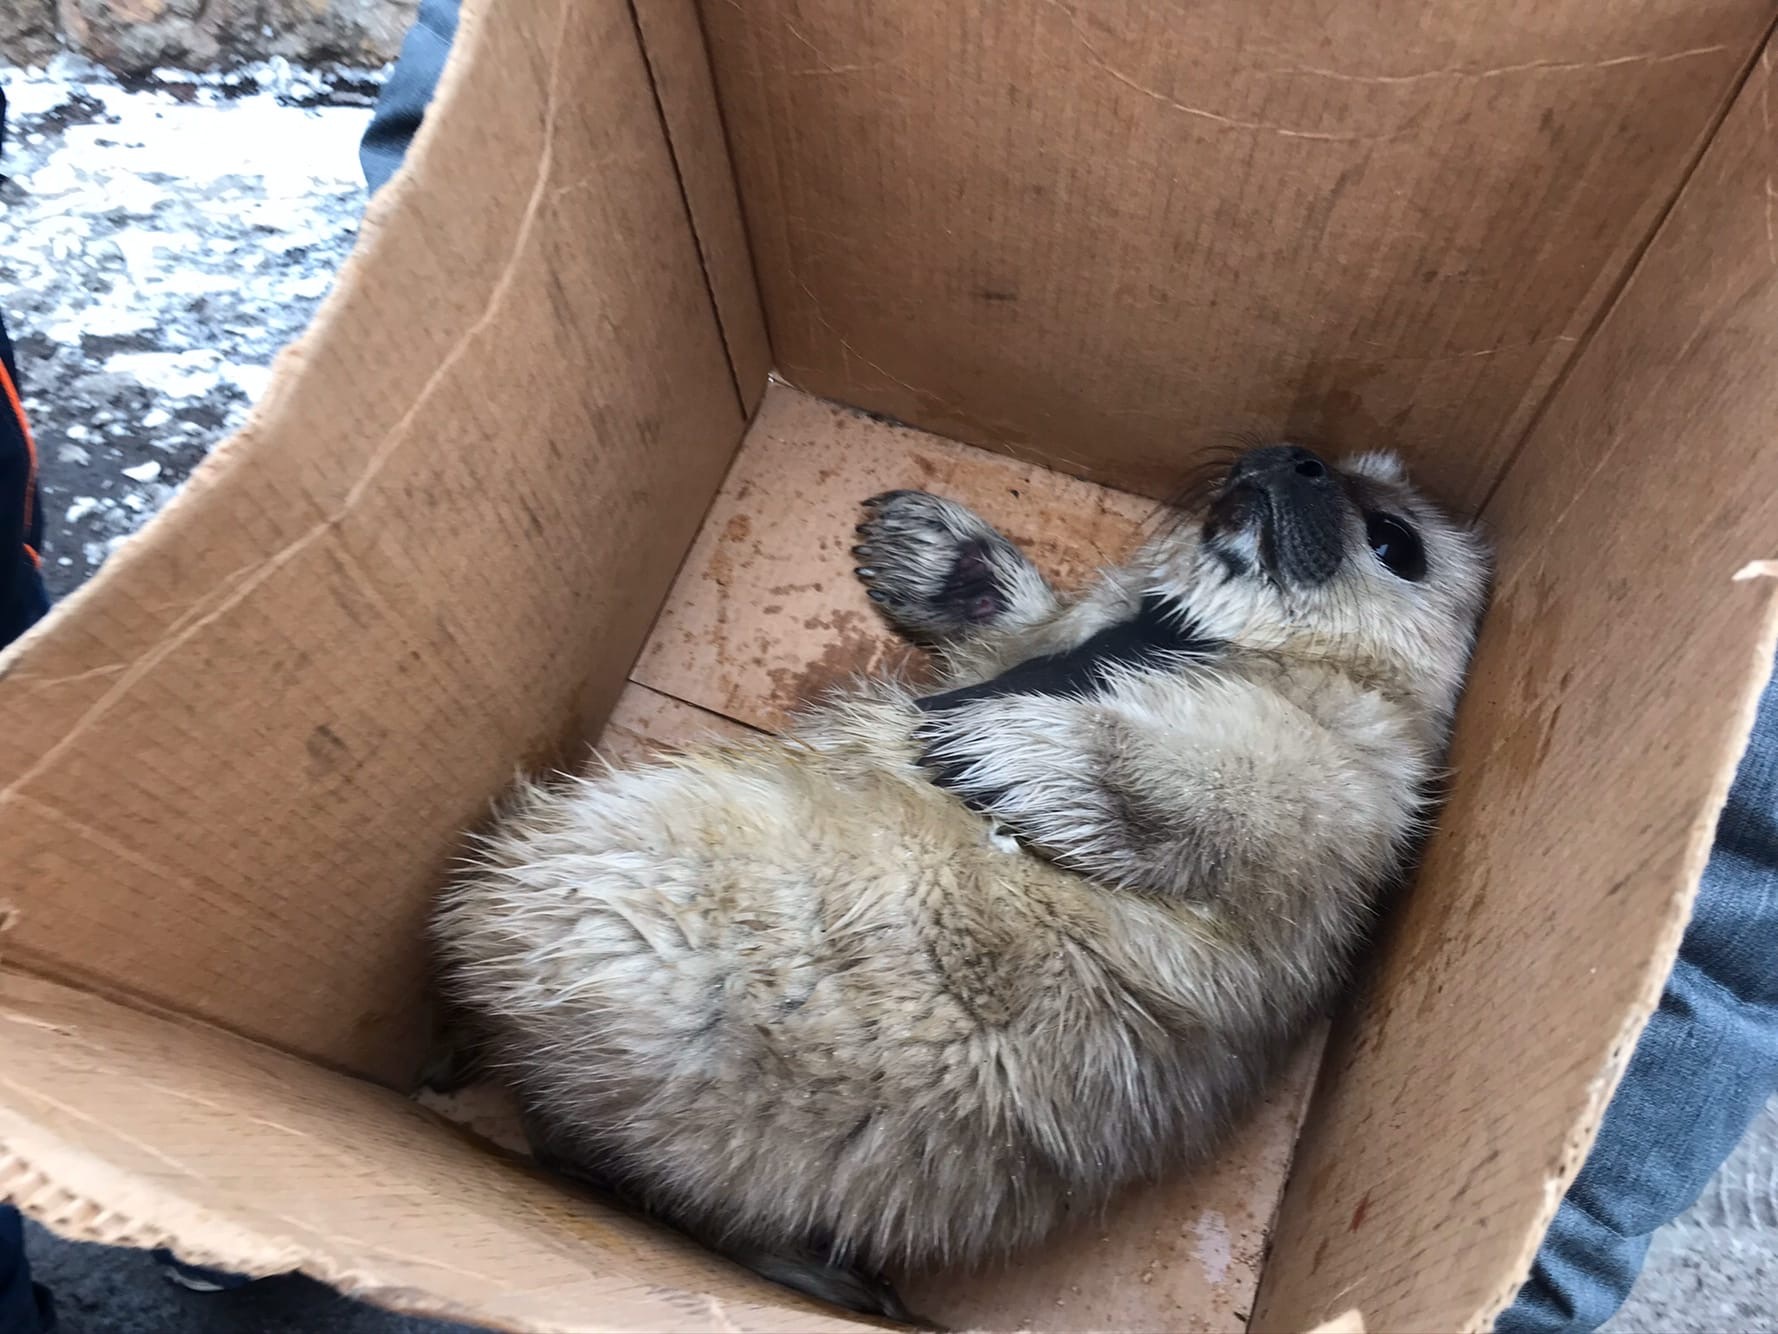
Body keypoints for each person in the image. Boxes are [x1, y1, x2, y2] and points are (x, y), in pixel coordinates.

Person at [1, 14, 1774, 1330]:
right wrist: (1007, 627)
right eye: (1297, 492)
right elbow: (1049, 729)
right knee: (585, 937)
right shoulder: (1214, 659)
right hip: (893, 1003)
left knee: (584, 927)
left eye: (1378, 544)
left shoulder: (1334, 767)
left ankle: (615, 1206)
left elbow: (1118, 782)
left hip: (929, 1018)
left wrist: (1012, 676)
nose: (1307, 495)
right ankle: (669, 1217)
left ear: (1429, 658)